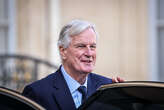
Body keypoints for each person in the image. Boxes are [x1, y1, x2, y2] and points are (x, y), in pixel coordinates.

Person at [22, 19, 124, 110]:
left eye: (92, 47)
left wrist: (127, 98)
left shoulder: (108, 89)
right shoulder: (37, 93)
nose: (89, 53)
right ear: (63, 51)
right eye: (81, 46)